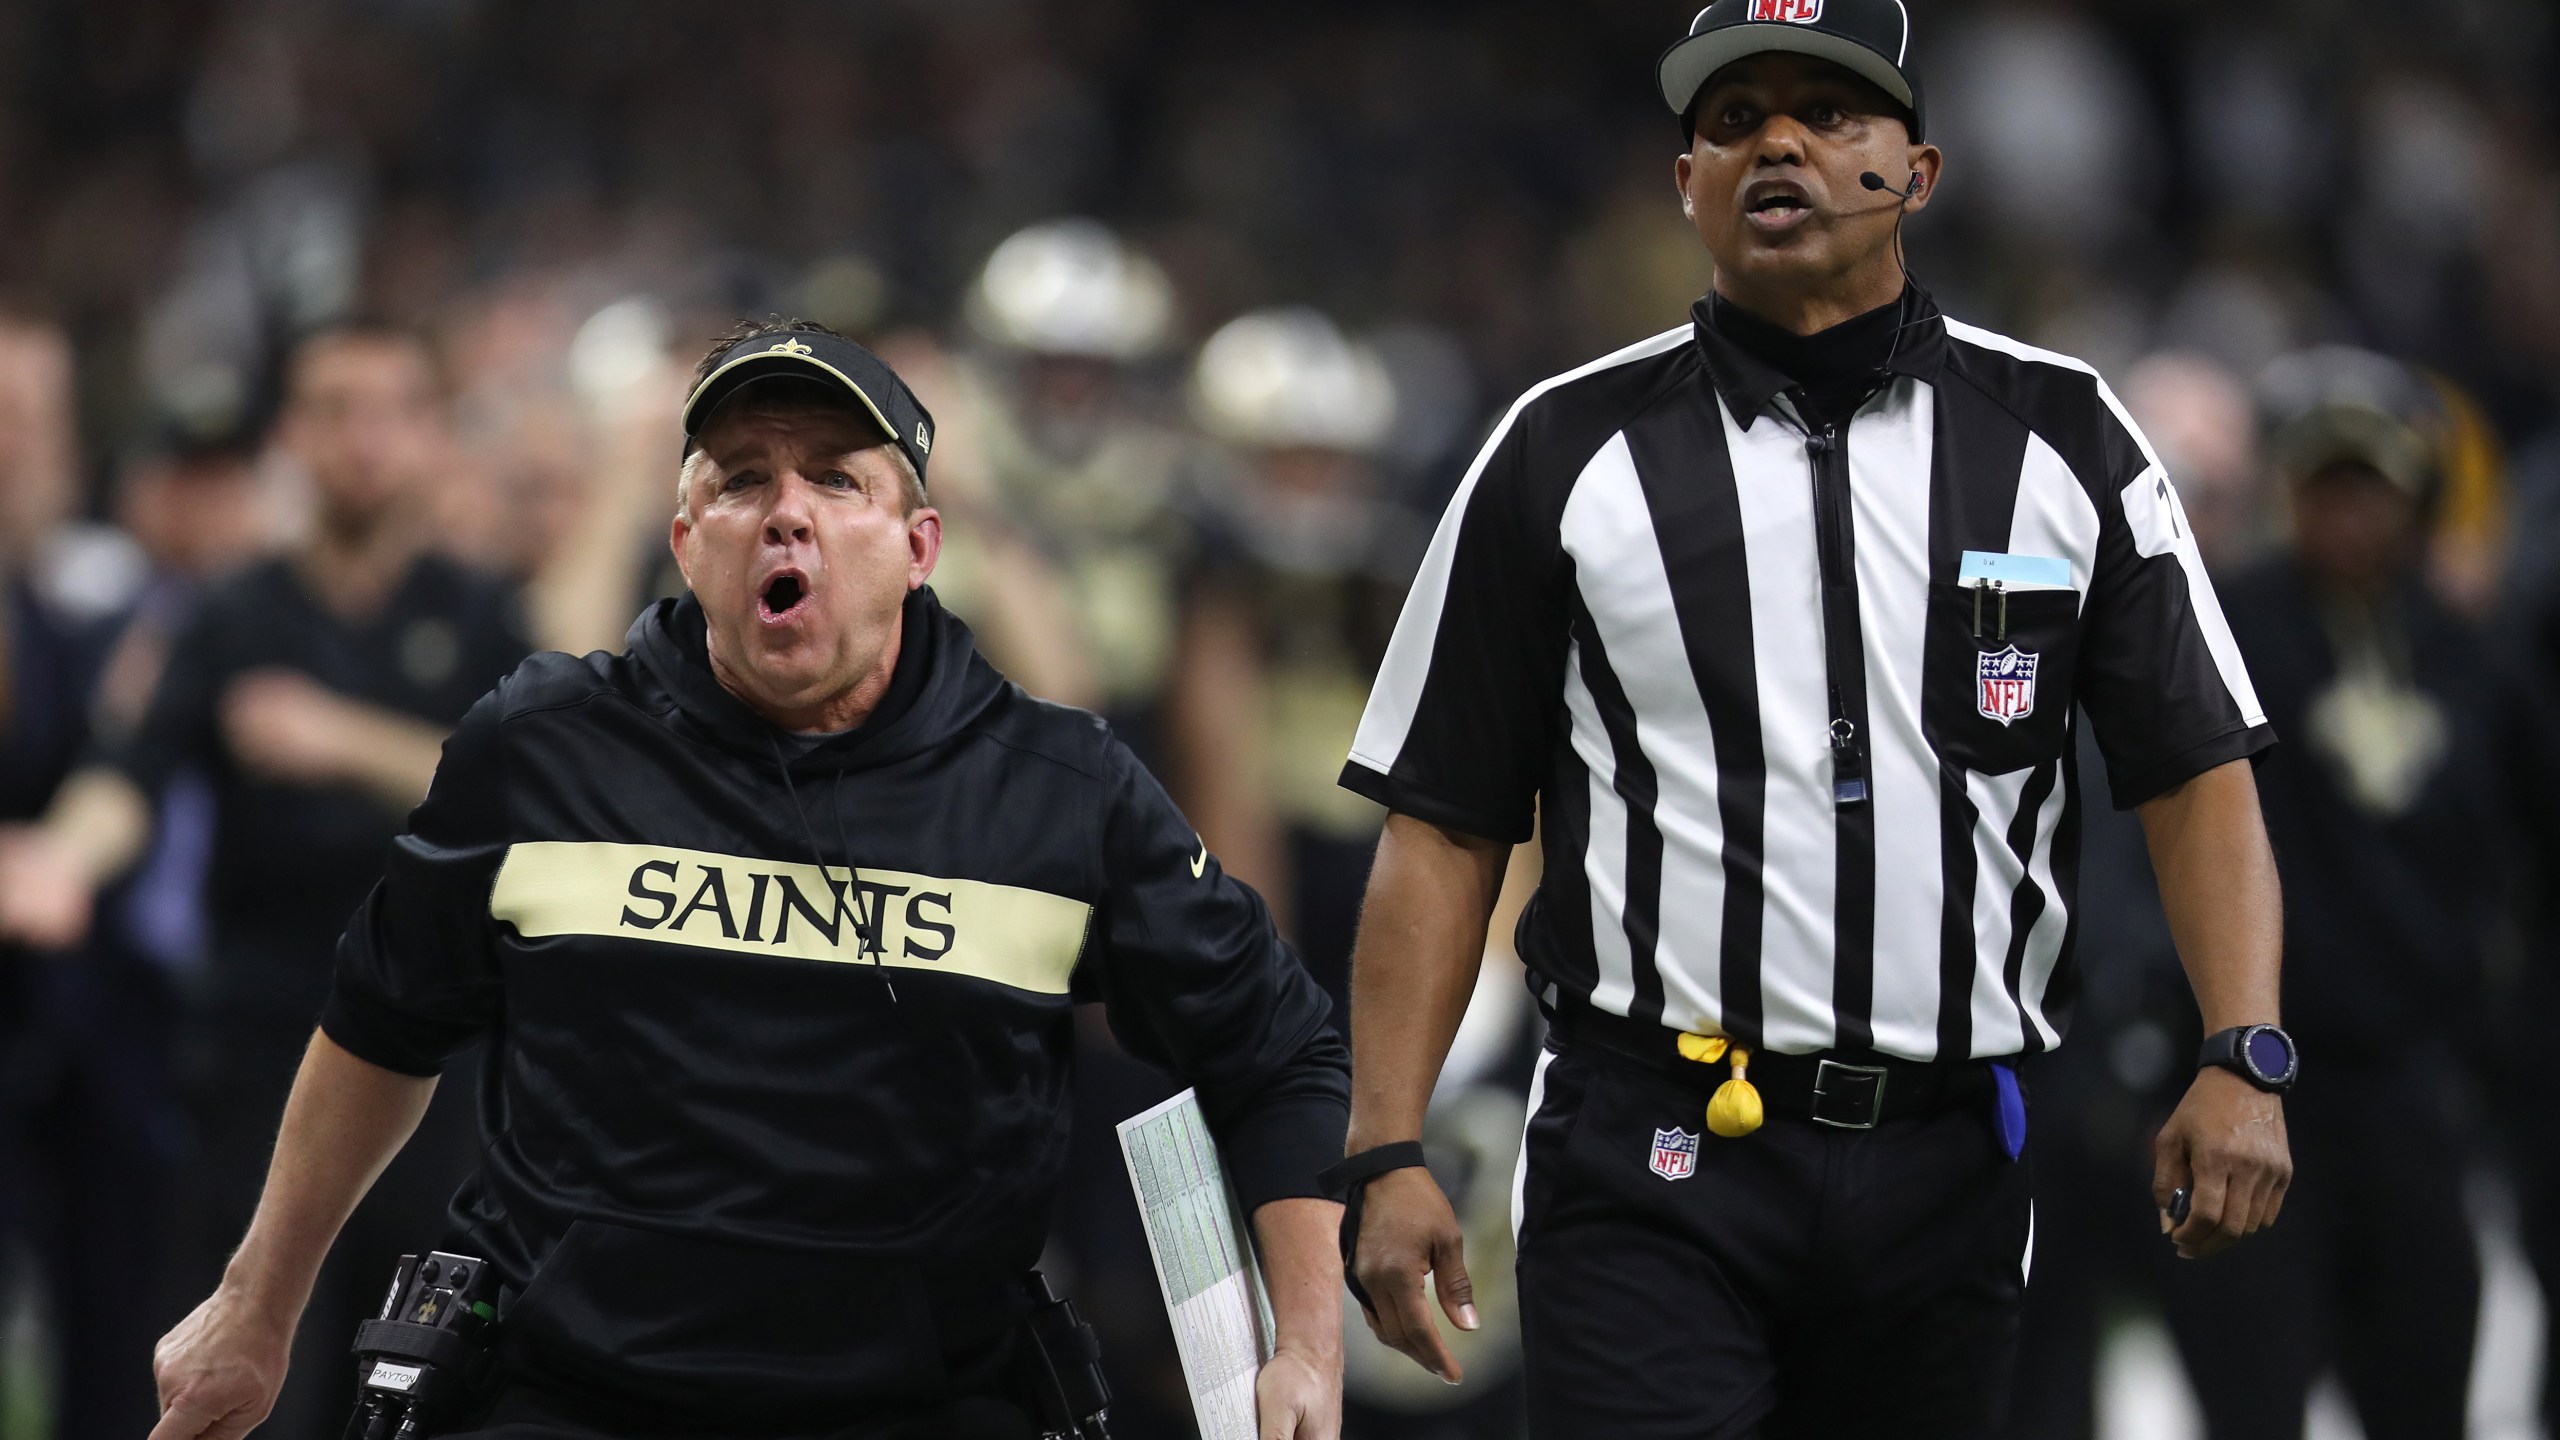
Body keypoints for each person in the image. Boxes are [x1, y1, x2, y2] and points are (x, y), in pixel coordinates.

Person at [1323, 4, 2297, 1435]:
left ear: (1920, 169)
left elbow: (2195, 771)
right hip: (1650, 1150)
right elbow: (1447, 824)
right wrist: (1387, 1142)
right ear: (1685, 186)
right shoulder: (1559, 450)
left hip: (1948, 1160)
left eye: (1831, 111)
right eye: (1732, 121)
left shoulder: (2065, 433)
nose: (1777, 140)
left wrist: (2243, 1051)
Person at [144, 319, 1350, 1440]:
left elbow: (1275, 1049)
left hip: (922, 1405)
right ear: (683, 541)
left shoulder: (1057, 785)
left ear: (919, 546)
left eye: (837, 479)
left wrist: (1307, 1346)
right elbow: (378, 1023)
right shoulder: (541, 747)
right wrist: (254, 1305)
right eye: (738, 479)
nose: (787, 515)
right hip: (566, 1399)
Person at [0, 319, 531, 1438]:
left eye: (391, 410)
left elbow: (529, 803)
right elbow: (127, 779)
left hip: (443, 1102)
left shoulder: (483, 615)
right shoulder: (235, 614)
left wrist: (343, 737)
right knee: (243, 1399)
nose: (363, 440)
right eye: (334, 410)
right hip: (262, 1078)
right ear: (294, 434)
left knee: (423, 1406)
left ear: (434, 436)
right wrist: (60, 858)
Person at [2162, 348, 2560, 1440]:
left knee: (2423, 1385)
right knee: (2252, 1396)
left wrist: (2503, 1034)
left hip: (2418, 1087)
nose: (2344, 510)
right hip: (2260, 1078)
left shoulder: (2474, 657)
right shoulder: (2228, 636)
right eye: (2322, 483)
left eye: (2368, 483)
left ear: (2416, 493)